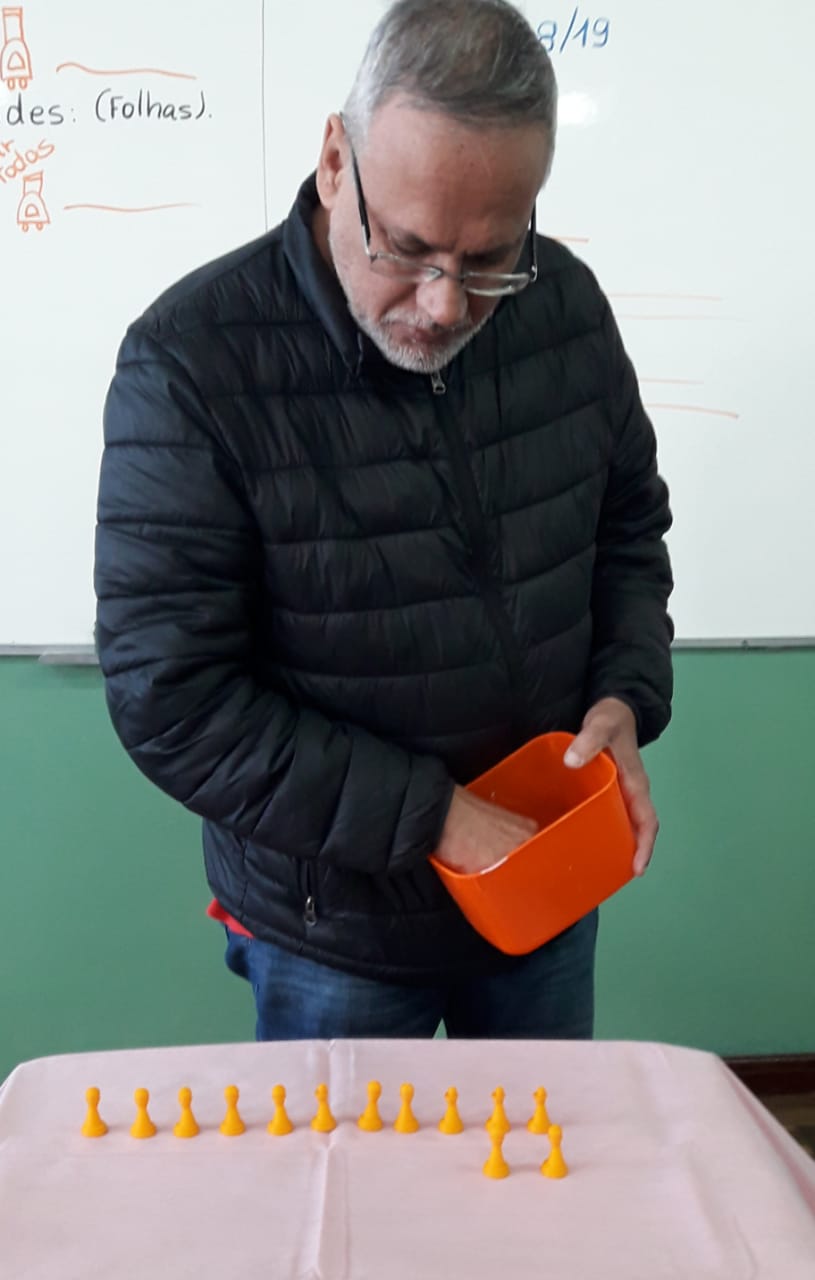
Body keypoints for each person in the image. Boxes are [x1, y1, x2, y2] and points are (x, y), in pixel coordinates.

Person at [94, 0, 673, 1042]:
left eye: (489, 257)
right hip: (334, 930)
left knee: (545, 1150)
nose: (444, 304)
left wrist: (624, 692)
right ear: (333, 162)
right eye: (406, 248)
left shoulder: (563, 305)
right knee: (357, 1160)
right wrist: (433, 815)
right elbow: (171, 699)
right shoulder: (190, 366)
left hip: (541, 881)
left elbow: (627, 526)